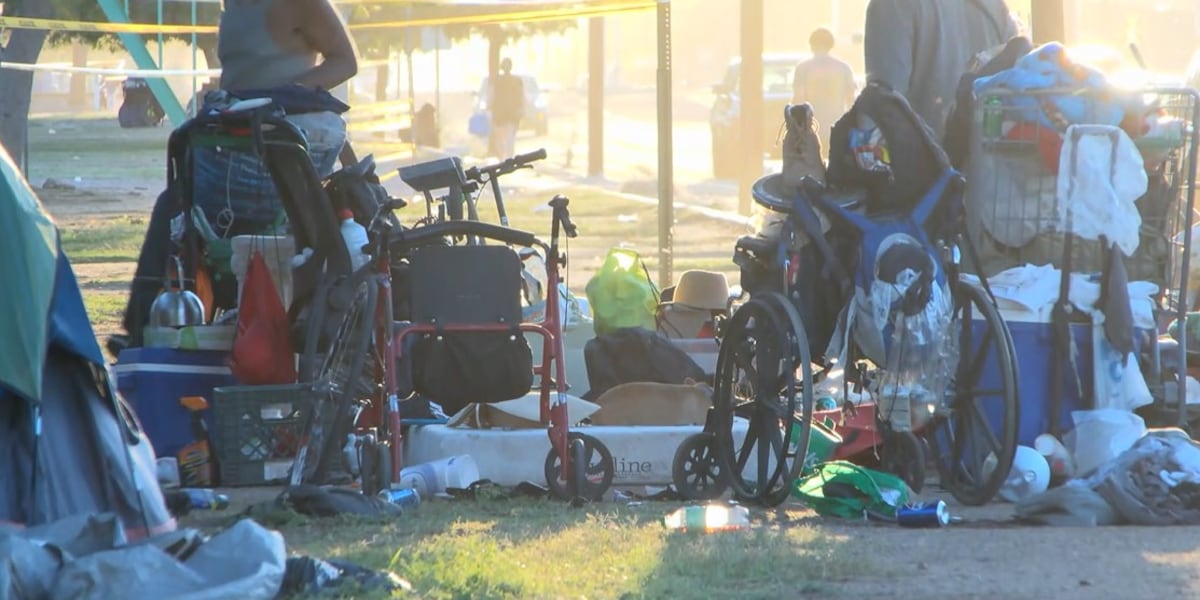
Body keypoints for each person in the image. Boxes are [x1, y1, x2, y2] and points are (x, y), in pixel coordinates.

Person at [110, 0, 359, 355]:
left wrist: (281, 95)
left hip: (272, 148)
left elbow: (345, 61)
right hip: (234, 137)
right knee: (174, 204)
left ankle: (143, 330)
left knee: (179, 205)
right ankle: (143, 329)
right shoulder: (233, 6)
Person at [864, 0, 1017, 138]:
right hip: (986, 162)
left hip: (923, 162)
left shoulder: (892, 5)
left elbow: (882, 112)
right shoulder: (997, 9)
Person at [791, 27, 857, 144]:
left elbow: (798, 100)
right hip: (837, 127)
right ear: (831, 45)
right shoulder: (844, 68)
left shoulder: (803, 68)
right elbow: (851, 100)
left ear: (811, 45)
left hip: (811, 128)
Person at [490, 58, 524, 158]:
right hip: (512, 114)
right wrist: (521, 109)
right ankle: (509, 159)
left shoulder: (496, 80)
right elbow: (521, 96)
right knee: (510, 138)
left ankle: (502, 158)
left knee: (500, 138)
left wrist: (490, 108)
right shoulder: (517, 81)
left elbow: (491, 96)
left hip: (499, 114)